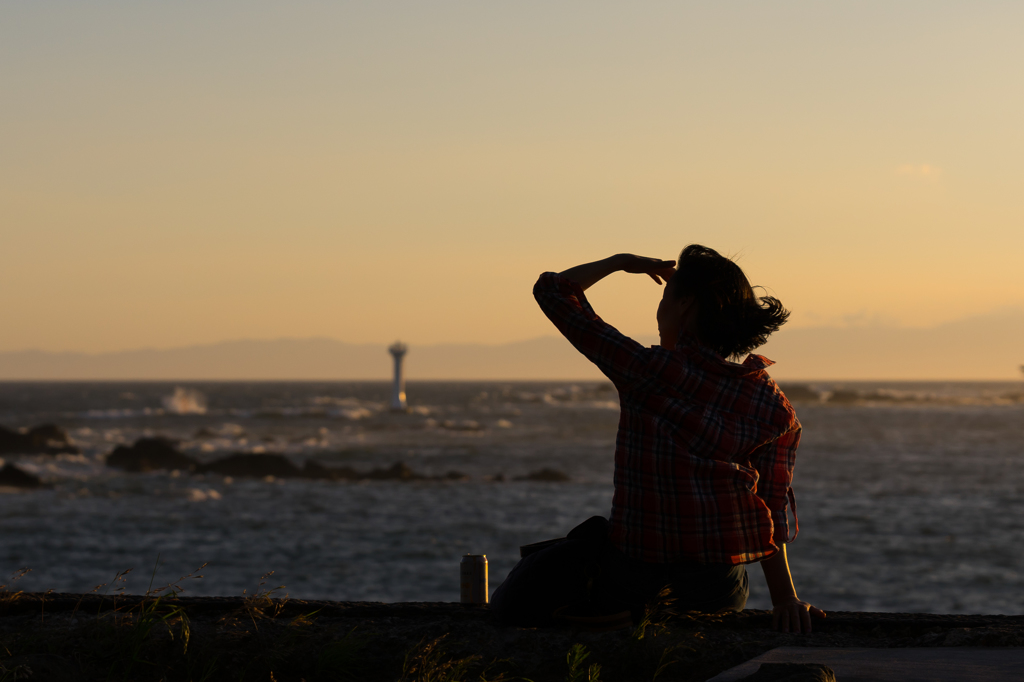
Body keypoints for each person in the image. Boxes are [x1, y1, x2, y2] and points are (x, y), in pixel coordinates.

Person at [491, 246, 825, 634]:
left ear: (684, 305)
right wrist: (785, 598)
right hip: (718, 590)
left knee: (532, 582)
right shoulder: (772, 404)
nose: (660, 309)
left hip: (631, 582)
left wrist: (620, 263)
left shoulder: (646, 371)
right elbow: (770, 508)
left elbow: (552, 290)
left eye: (665, 297)